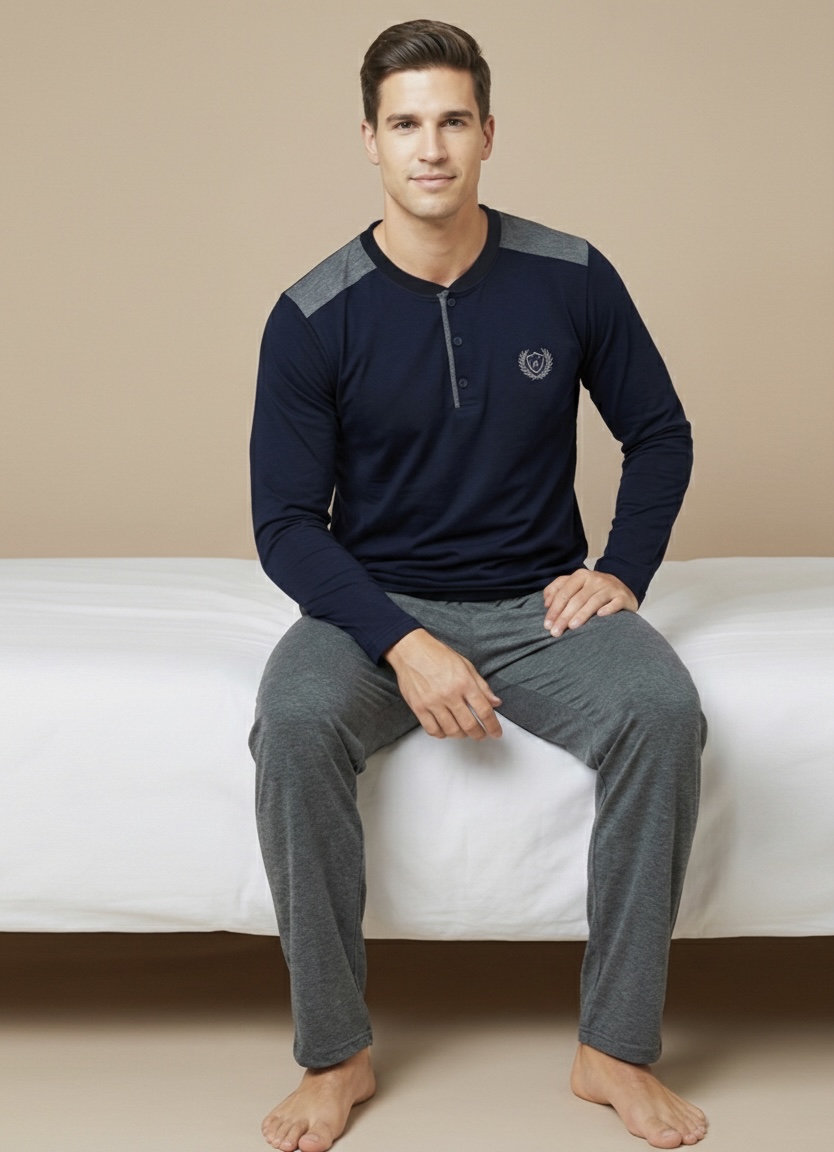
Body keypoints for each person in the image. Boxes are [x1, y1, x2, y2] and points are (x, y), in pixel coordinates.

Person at [248, 18, 709, 1151]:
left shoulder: (570, 274)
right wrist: (403, 643)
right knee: (294, 722)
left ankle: (614, 1049)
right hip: (372, 608)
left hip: (538, 603)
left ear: (489, 133)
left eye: (453, 120)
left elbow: (659, 433)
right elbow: (286, 527)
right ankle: (335, 1054)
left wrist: (622, 571)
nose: (431, 147)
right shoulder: (312, 314)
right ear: (370, 139)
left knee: (661, 710)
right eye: (405, 123)